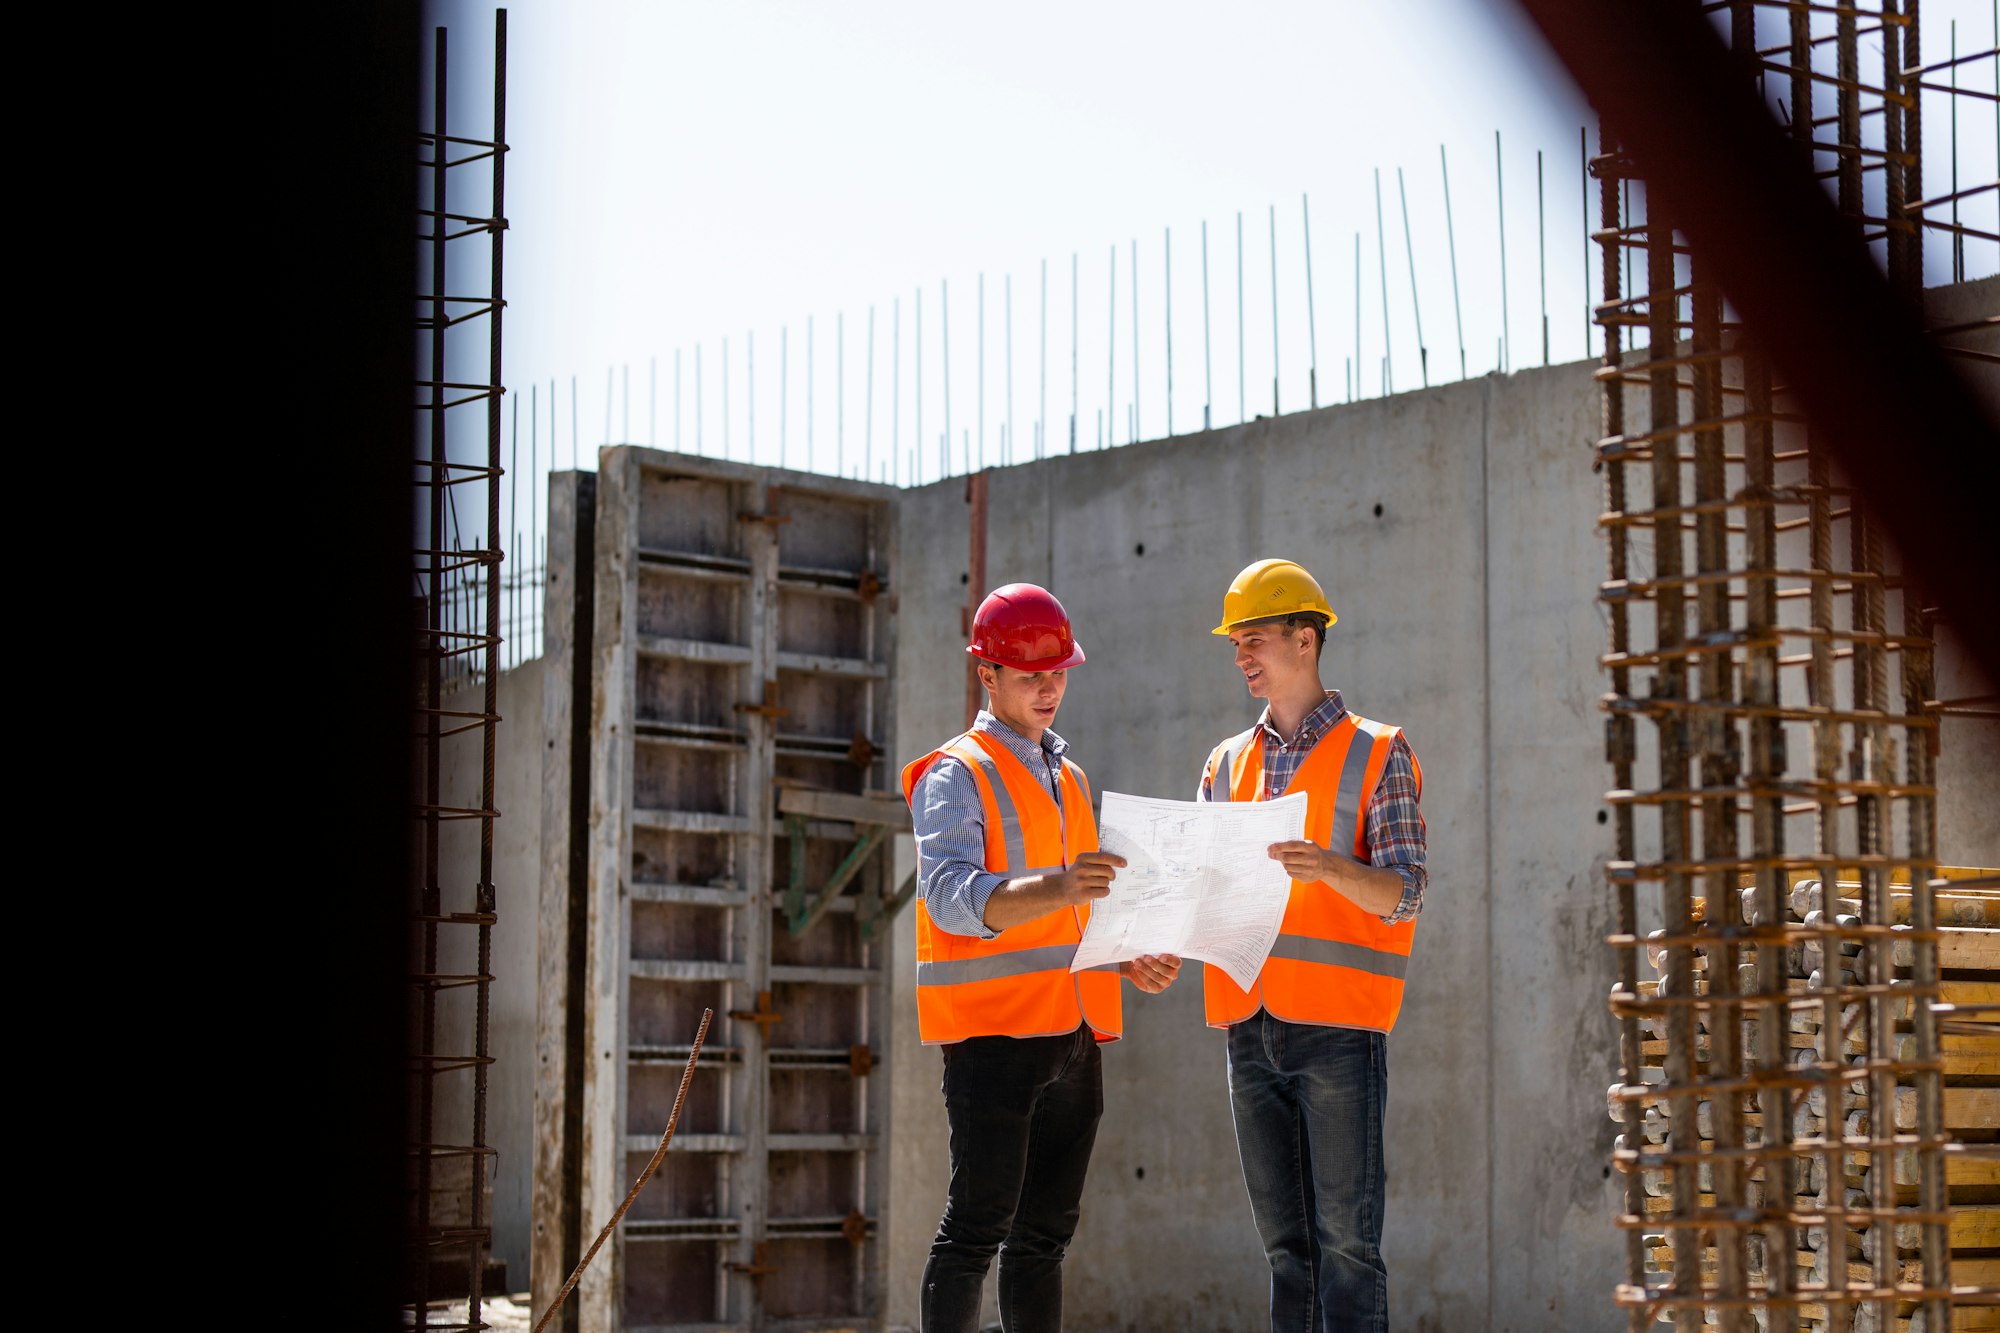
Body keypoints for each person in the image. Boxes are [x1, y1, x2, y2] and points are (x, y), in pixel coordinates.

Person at [901, 582, 1180, 1333]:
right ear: (985, 675)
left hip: (1075, 1035)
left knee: (1044, 1237)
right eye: (1031, 674)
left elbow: (1078, 908)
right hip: (994, 1037)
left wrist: (1123, 957)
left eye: (1058, 671)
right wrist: (1059, 886)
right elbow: (950, 897)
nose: (1049, 686)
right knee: (975, 1229)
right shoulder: (956, 774)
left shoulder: (1070, 776)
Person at [1195, 558, 1428, 1333]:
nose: (1241, 657)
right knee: (1287, 1252)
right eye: (1236, 644)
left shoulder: (1378, 751)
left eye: (1253, 639)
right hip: (1248, 1027)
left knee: (1348, 1248)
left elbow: (1405, 892)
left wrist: (1329, 866)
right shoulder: (1226, 763)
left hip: (1338, 1032)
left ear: (1304, 638)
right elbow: (1199, 889)